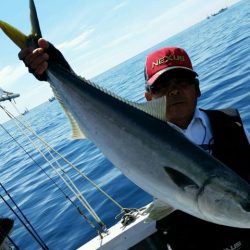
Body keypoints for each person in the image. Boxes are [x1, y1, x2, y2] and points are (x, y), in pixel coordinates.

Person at [19, 41, 250, 250]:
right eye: (162, 86)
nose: (175, 90)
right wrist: (56, 69)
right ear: (149, 98)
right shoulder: (125, 129)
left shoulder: (232, 124)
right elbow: (98, 108)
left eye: (183, 81)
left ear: (197, 88)